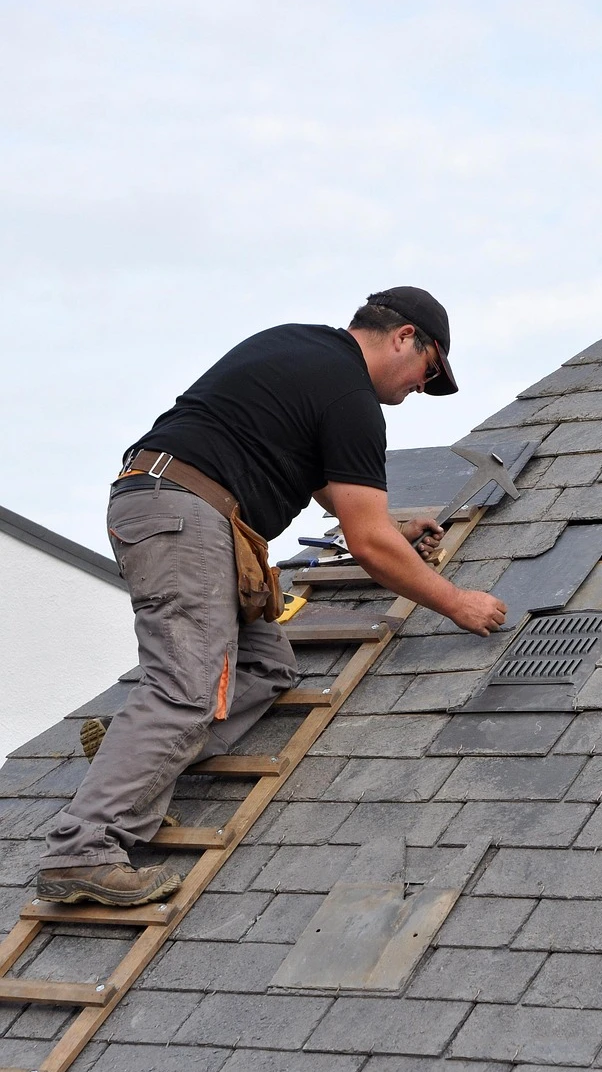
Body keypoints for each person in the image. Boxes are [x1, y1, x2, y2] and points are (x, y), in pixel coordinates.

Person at [37, 287, 507, 906]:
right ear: (404, 338)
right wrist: (457, 602)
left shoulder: (298, 348)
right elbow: (367, 543)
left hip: (169, 505)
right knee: (188, 688)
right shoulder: (351, 397)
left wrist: (394, 525)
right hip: (188, 517)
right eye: (430, 369)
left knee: (265, 666)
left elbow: (335, 492)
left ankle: (130, 756)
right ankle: (83, 849)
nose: (424, 386)